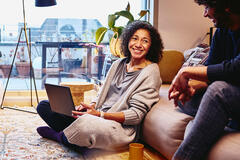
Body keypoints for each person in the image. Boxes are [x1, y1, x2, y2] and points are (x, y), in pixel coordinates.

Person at [36, 20, 164, 151]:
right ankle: (76, 137)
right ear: (127, 41)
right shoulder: (118, 64)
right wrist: (91, 107)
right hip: (96, 116)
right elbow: (102, 93)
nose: (138, 44)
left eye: (145, 41)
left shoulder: (151, 72)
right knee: (44, 106)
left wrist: (100, 115)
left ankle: (60, 136)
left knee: (85, 126)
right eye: (134, 39)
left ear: (151, 46)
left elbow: (135, 115)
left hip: (117, 127)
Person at [168, 0, 240, 159]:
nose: (205, 14)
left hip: (231, 94)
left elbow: (235, 69)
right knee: (182, 98)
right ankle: (222, 116)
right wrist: (190, 86)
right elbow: (211, 70)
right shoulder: (222, 32)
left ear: (226, 6)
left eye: (207, 7)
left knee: (218, 91)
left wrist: (186, 72)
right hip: (232, 99)